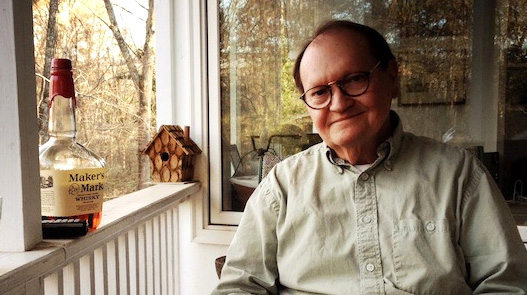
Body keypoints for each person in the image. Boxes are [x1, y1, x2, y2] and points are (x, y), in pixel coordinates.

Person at [211, 20, 527, 295]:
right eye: (320, 92)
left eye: (354, 80)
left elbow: (507, 285)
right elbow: (240, 286)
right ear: (308, 105)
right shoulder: (281, 187)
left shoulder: (458, 175)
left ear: (392, 77)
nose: (338, 104)